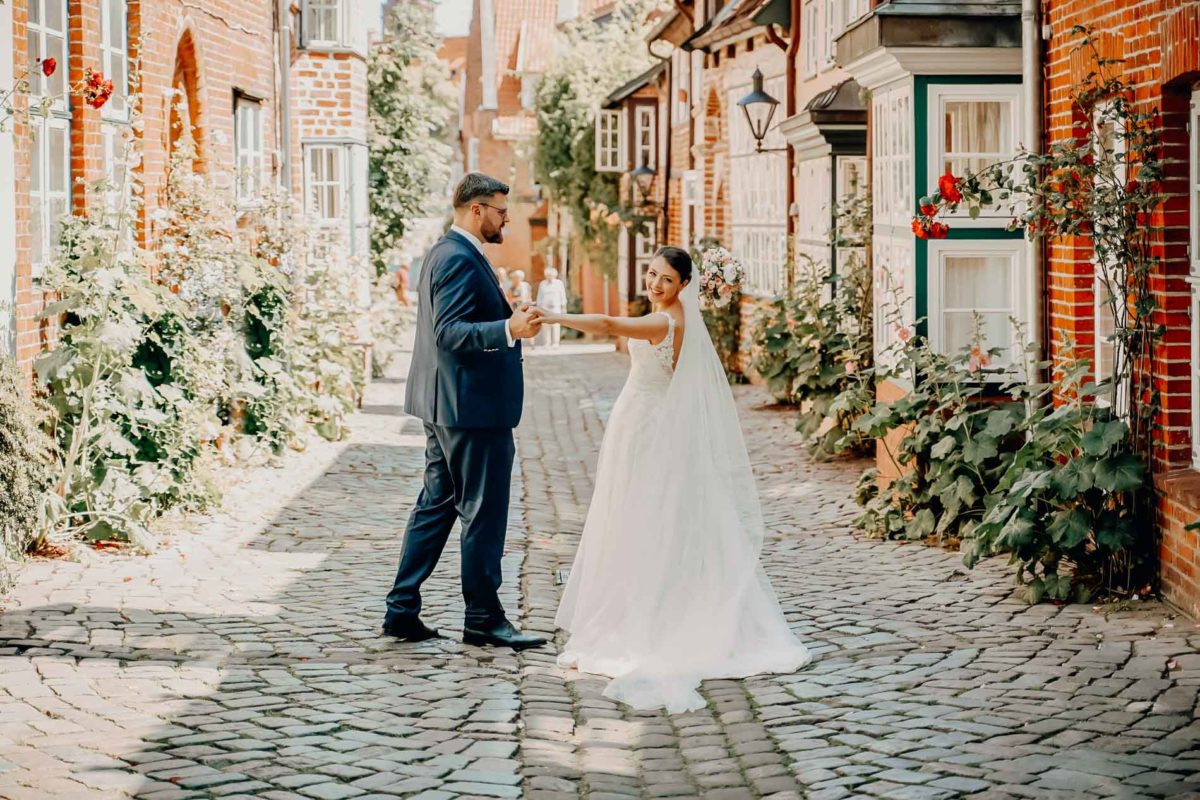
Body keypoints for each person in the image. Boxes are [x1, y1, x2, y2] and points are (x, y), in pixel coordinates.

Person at [535, 246, 811, 712]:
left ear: (685, 284)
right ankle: (652, 604)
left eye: (665, 278)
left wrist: (552, 316)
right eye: (650, 274)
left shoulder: (667, 321)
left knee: (649, 519)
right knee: (651, 519)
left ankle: (658, 617)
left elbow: (606, 325)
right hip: (641, 421)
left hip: (650, 428)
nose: (654, 284)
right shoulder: (672, 312)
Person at [382, 172, 546, 651]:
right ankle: (483, 617)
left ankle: (401, 609)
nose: (506, 220)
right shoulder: (457, 256)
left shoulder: (446, 252)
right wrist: (508, 329)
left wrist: (507, 317)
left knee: (436, 506)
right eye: (500, 211)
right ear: (476, 210)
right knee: (482, 511)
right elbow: (450, 332)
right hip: (471, 409)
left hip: (447, 404)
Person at [535, 267, 567, 347]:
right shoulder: (542, 283)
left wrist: (563, 306)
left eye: (551, 275)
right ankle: (546, 342)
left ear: (554, 275)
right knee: (545, 325)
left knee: (556, 325)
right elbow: (540, 296)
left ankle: (555, 342)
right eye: (548, 275)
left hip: (556, 307)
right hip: (544, 307)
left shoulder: (559, 283)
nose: (549, 276)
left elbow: (562, 295)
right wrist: (538, 307)